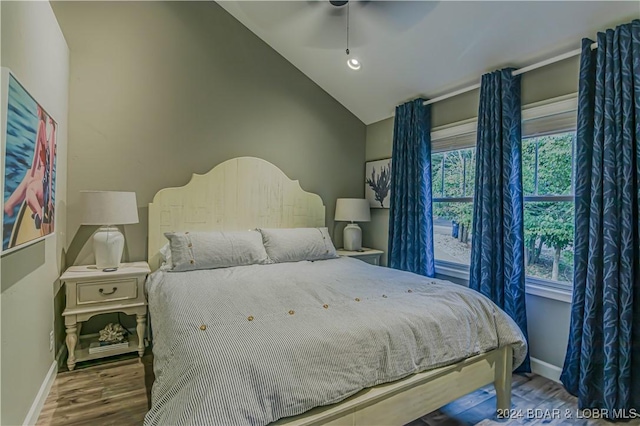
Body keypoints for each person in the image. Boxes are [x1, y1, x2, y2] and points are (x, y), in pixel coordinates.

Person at [3, 105, 49, 230]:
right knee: (29, 174)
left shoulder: (40, 125)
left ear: (39, 111)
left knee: (30, 185)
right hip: (45, 174)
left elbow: (35, 156)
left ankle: (37, 213)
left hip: (42, 173)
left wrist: (33, 174)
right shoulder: (48, 130)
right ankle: (10, 205)